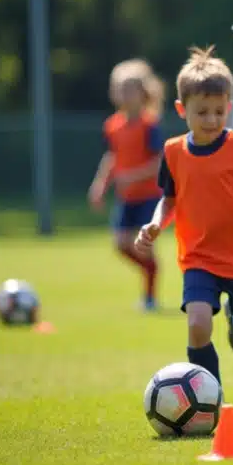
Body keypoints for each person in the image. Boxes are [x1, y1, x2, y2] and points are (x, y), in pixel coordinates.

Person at [134, 46, 233, 385]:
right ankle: (208, 393)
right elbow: (169, 199)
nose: (212, 120)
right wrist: (157, 222)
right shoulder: (173, 152)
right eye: (202, 112)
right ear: (181, 109)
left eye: (219, 111)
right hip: (200, 257)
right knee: (198, 324)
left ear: (229, 107)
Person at [89, 59, 165, 311]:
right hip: (127, 197)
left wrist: (132, 176)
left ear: (143, 93)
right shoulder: (112, 126)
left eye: (130, 89)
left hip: (148, 197)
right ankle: (151, 269)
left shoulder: (149, 125)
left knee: (141, 244)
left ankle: (150, 296)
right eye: (119, 89)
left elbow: (158, 163)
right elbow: (112, 157)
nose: (124, 95)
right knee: (121, 245)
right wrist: (100, 184)